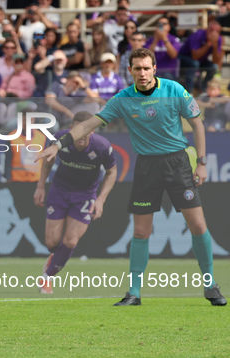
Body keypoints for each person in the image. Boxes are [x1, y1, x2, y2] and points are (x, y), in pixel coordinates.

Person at [36, 48, 227, 306]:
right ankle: (134, 292)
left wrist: (201, 163)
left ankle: (210, 285)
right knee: (140, 231)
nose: (143, 73)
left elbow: (198, 124)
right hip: (147, 166)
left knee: (198, 226)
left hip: (177, 164)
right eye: (137, 68)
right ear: (130, 71)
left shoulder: (174, 90)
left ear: (154, 68)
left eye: (147, 68)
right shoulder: (123, 99)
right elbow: (88, 124)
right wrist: (59, 145)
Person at [34, 111, 117, 294]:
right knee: (52, 243)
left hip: (85, 195)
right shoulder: (60, 139)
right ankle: (53, 258)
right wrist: (40, 186)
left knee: (70, 241)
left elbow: (112, 172)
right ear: (72, 129)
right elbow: (48, 161)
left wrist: (101, 200)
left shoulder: (102, 147)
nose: (82, 135)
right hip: (60, 191)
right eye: (78, 130)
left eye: (86, 131)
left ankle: (47, 278)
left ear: (92, 131)